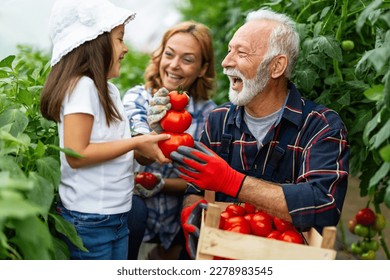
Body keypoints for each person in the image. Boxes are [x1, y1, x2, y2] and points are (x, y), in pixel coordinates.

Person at [167, 8, 350, 259]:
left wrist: (232, 181)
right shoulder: (218, 120)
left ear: (276, 66)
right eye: (230, 50)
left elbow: (324, 204)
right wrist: (193, 211)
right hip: (222, 252)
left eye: (241, 53)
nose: (226, 61)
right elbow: (195, 188)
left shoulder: (320, 126)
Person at [40, 0, 170, 260]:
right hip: (91, 220)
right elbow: (76, 154)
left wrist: (143, 141)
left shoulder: (108, 90)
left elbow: (110, 144)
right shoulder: (82, 87)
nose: (125, 48)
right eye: (120, 39)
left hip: (113, 215)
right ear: (94, 43)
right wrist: (135, 143)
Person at [122, 21, 216, 259]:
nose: (174, 66)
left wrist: (162, 183)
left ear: (203, 69)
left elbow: (206, 181)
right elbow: (139, 150)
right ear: (159, 55)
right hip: (138, 220)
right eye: (169, 54)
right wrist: (156, 129)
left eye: (187, 59)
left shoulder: (208, 114)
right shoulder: (138, 98)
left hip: (178, 223)